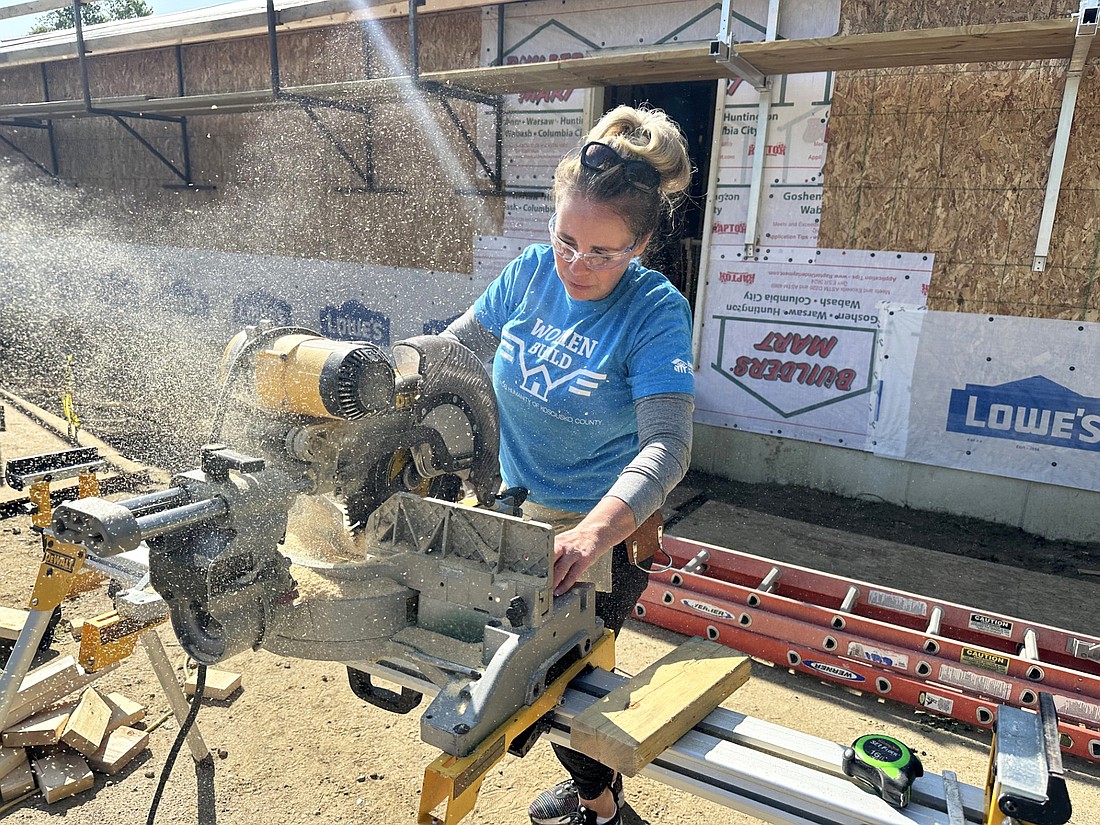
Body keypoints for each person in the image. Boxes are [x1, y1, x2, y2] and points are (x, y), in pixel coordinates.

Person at [442, 104, 695, 825]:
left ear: (641, 243)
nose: (578, 266)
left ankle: (606, 811)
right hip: (514, 513)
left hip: (603, 531)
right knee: (508, 678)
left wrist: (591, 534)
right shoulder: (529, 273)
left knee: (560, 689)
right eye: (566, 241)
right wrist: (394, 375)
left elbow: (667, 445)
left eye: (604, 253)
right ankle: (595, 789)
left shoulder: (655, 312)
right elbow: (455, 354)